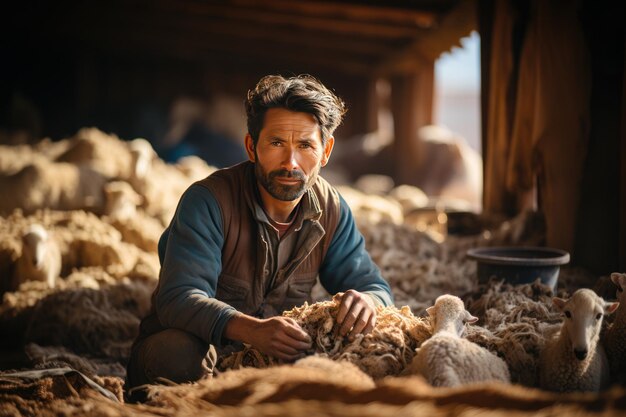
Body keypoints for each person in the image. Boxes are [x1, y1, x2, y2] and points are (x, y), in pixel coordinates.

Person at [125, 74, 393, 399]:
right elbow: (178, 297)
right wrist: (252, 330)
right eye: (277, 143)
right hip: (199, 357)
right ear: (252, 147)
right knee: (177, 355)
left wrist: (367, 301)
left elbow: (375, 287)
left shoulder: (332, 209)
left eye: (305, 145)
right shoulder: (209, 201)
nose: (290, 163)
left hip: (272, 363)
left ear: (325, 151)